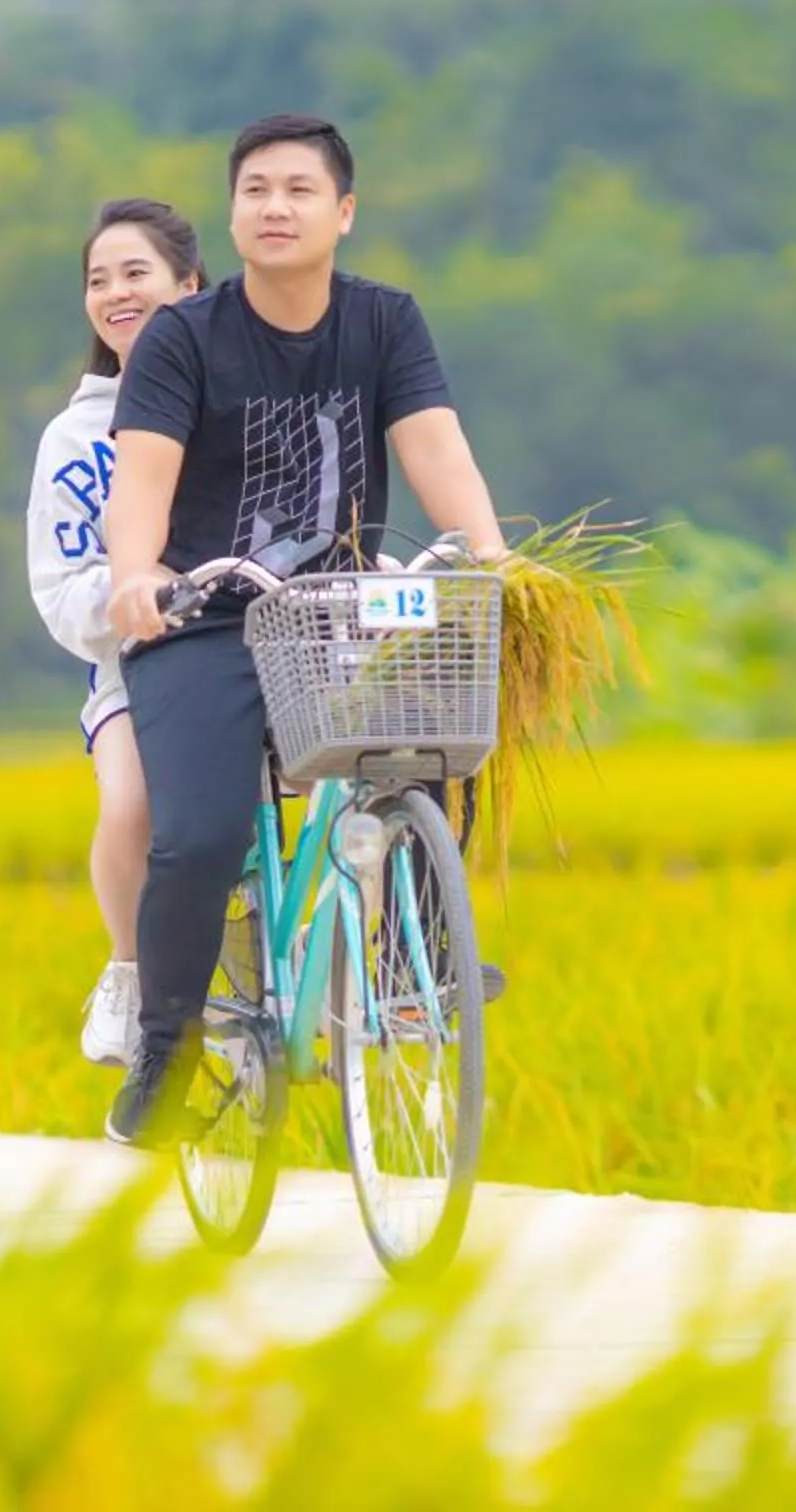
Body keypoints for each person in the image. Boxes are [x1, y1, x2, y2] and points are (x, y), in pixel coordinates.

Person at [99, 112, 508, 1148]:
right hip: (206, 616)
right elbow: (142, 478)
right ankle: (168, 1042)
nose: (275, 207)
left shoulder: (385, 322)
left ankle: (407, 963)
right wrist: (138, 573)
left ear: (345, 213)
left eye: (299, 189)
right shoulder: (182, 338)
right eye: (255, 191)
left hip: (336, 614)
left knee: (435, 744)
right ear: (233, 214)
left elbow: (434, 448)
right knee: (200, 834)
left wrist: (496, 555)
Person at [23, 197, 208, 1070]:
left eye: (137, 272)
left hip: (271, 651)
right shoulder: (76, 438)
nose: (116, 293)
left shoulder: (244, 399)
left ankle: (385, 968)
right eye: (99, 279)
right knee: (131, 803)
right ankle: (131, 969)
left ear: (190, 284)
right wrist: (140, 592)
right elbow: (61, 594)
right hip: (136, 668)